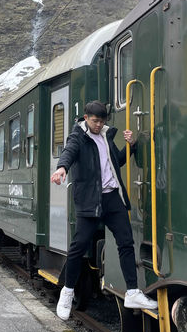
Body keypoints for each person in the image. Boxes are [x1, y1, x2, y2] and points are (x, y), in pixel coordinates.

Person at [50, 100, 158, 320]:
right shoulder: (78, 137)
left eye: (102, 121)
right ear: (86, 117)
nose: (98, 125)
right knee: (78, 247)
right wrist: (62, 168)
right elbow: (69, 152)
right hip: (90, 200)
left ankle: (132, 292)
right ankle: (67, 292)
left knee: (126, 242)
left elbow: (116, 162)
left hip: (112, 197)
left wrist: (131, 146)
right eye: (95, 121)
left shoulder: (106, 137)